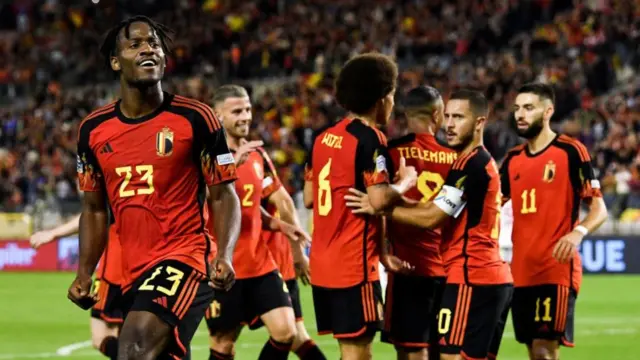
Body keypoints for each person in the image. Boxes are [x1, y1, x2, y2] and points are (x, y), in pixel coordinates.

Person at [68, 16, 241, 360]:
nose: (148, 48)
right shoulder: (93, 130)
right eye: (135, 44)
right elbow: (94, 208)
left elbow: (223, 194)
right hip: (134, 270)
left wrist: (224, 253)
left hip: (186, 256)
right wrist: (85, 273)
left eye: (154, 44)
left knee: (133, 348)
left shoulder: (197, 118)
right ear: (116, 62)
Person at [347, 89, 513, 360]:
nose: (449, 124)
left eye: (458, 117)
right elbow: (431, 208)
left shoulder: (468, 163)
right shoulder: (464, 159)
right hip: (468, 273)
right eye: (447, 116)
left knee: (428, 354)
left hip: (460, 273)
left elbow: (431, 217)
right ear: (437, 115)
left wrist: (381, 209)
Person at [302, 53, 417, 360]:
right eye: (391, 97)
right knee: (359, 353)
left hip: (323, 264)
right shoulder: (370, 139)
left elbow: (310, 199)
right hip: (352, 266)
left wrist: (382, 252)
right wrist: (405, 182)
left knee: (349, 350)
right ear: (382, 99)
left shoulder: (323, 138)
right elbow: (378, 201)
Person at [205, 85, 323, 360]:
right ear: (217, 115)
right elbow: (202, 204)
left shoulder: (257, 155)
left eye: (247, 109)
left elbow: (253, 209)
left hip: (260, 263)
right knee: (223, 344)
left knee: (286, 332)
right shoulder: (204, 156)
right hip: (223, 266)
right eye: (237, 111)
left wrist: (284, 227)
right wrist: (231, 166)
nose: (246, 116)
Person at [501, 83, 608, 360]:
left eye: (528, 108)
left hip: (556, 268)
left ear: (548, 111)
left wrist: (578, 232)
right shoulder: (512, 159)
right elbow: (491, 207)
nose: (520, 115)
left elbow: (599, 209)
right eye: (517, 109)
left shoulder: (571, 151)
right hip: (521, 271)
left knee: (544, 351)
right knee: (531, 350)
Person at [379, 86, 455, 360]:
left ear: (405, 115)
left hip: (407, 267)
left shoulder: (390, 153)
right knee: (445, 352)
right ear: (437, 115)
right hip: (449, 269)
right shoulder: (457, 158)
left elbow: (378, 206)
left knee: (412, 352)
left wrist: (383, 252)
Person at [31, 214, 123, 360]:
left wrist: (54, 233)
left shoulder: (115, 193)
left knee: (103, 335)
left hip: (115, 270)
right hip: (147, 265)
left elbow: (93, 213)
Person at [262, 202, 327, 359]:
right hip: (266, 261)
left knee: (223, 340)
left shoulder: (263, 177)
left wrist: (297, 253)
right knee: (296, 337)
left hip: (268, 263)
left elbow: (285, 203)